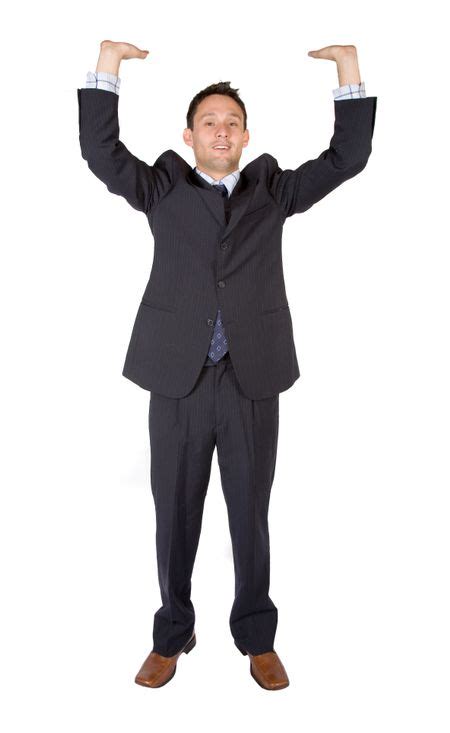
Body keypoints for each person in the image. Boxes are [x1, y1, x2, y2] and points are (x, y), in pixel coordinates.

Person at [77, 39, 377, 690]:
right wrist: (107, 65)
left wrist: (348, 69)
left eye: (231, 121)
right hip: (176, 378)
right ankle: (172, 631)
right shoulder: (161, 187)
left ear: (246, 135)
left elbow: (348, 156)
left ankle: (256, 636)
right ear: (190, 134)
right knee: (174, 511)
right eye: (209, 120)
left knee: (250, 509)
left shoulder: (274, 190)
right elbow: (100, 152)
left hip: (252, 377)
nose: (221, 129)